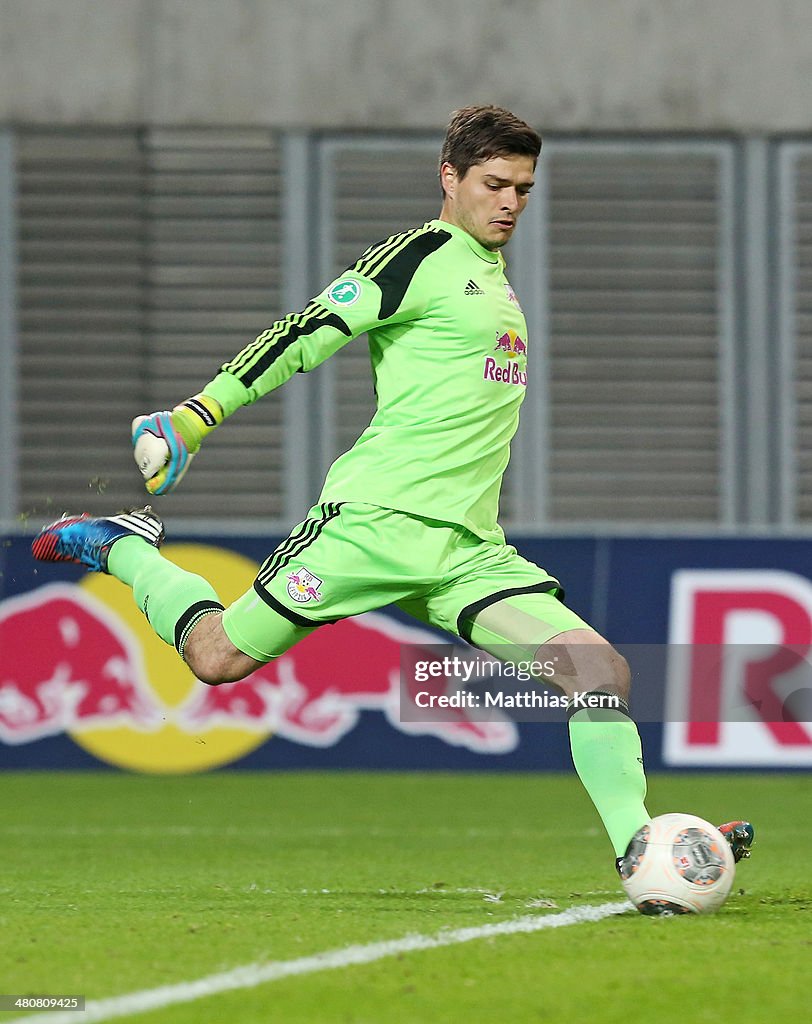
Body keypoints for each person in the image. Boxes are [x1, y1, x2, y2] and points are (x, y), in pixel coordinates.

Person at [32, 105, 753, 875]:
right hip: (371, 526)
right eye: (494, 183)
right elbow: (305, 330)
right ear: (450, 178)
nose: (509, 202)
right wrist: (197, 415)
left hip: (466, 551)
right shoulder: (419, 254)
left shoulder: (494, 280)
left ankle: (644, 854)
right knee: (215, 660)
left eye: (523, 189)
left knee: (599, 672)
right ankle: (122, 548)